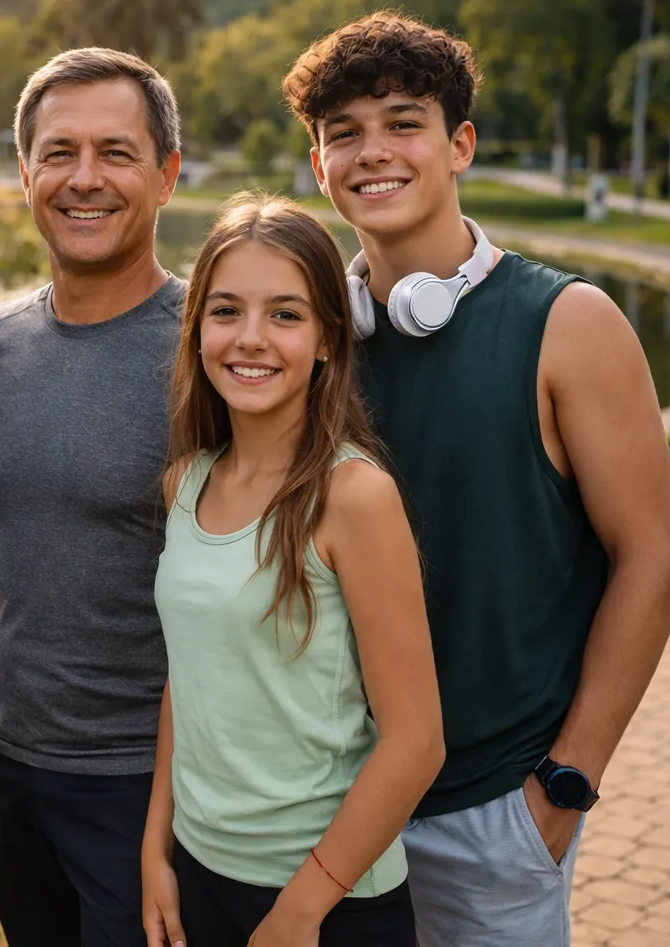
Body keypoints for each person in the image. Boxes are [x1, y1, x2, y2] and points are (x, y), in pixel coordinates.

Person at [283, 12, 670, 946]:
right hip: (323, 810)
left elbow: (655, 563)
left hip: (493, 816)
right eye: (343, 133)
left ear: (458, 144)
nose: (371, 151)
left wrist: (564, 785)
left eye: (402, 123)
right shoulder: (312, 340)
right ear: (318, 166)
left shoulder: (570, 323)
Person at [141, 192, 443, 947]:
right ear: (197, 330)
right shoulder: (186, 483)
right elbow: (189, 677)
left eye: (284, 314)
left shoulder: (353, 496)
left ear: (327, 339)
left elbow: (416, 741)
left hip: (325, 897)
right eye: (225, 311)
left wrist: (302, 910)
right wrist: (156, 848)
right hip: (201, 873)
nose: (250, 338)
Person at [0, 47, 184, 946]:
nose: (83, 178)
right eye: (58, 153)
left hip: (146, 783)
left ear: (166, 174)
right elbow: (15, 523)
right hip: (6, 763)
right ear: (25, 173)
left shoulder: (211, 353)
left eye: (115, 153)